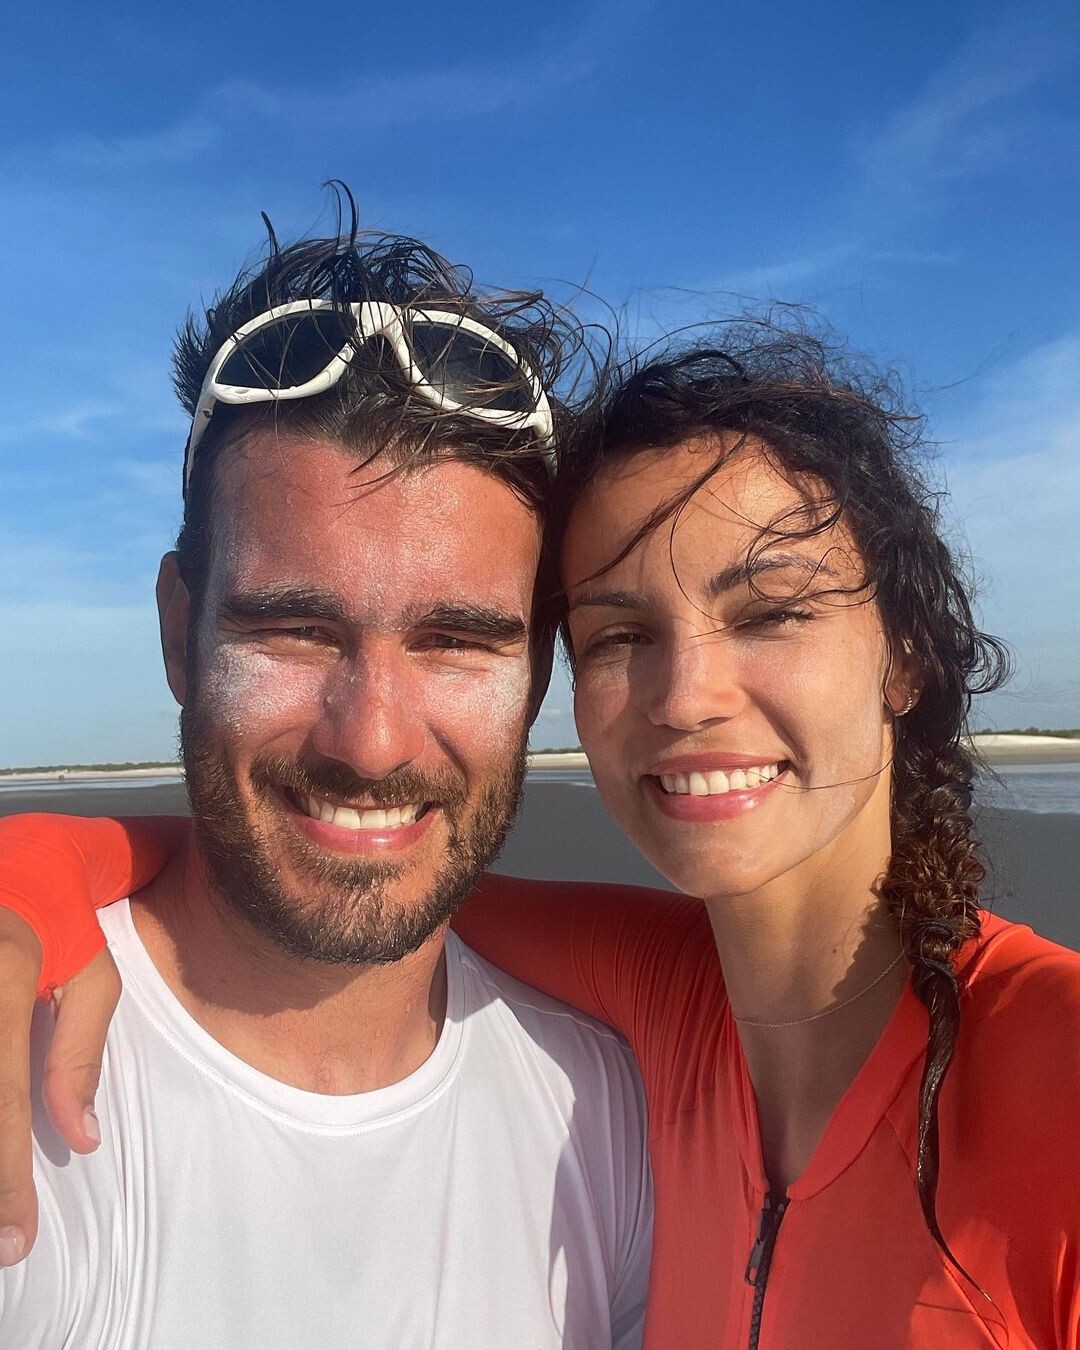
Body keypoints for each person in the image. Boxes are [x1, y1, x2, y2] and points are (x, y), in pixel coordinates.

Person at [2, 327, 1079, 1348]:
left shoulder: (1047, 1060)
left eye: (769, 613)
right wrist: (38, 872)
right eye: (620, 633)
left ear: (906, 654)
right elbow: (355, 872)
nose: (686, 696)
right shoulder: (667, 1007)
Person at [0, 202, 655, 1348]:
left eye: (456, 641)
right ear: (179, 634)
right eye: (294, 630)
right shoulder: (29, 1108)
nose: (373, 744)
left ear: (538, 672)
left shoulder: (609, 1115)